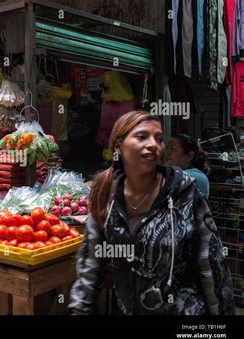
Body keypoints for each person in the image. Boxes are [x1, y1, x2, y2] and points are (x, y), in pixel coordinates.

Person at [69, 111, 234, 315]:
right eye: (141, 137)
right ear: (118, 146)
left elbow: (212, 264)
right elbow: (90, 267)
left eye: (159, 138)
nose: (153, 144)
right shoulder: (106, 193)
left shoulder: (184, 192)